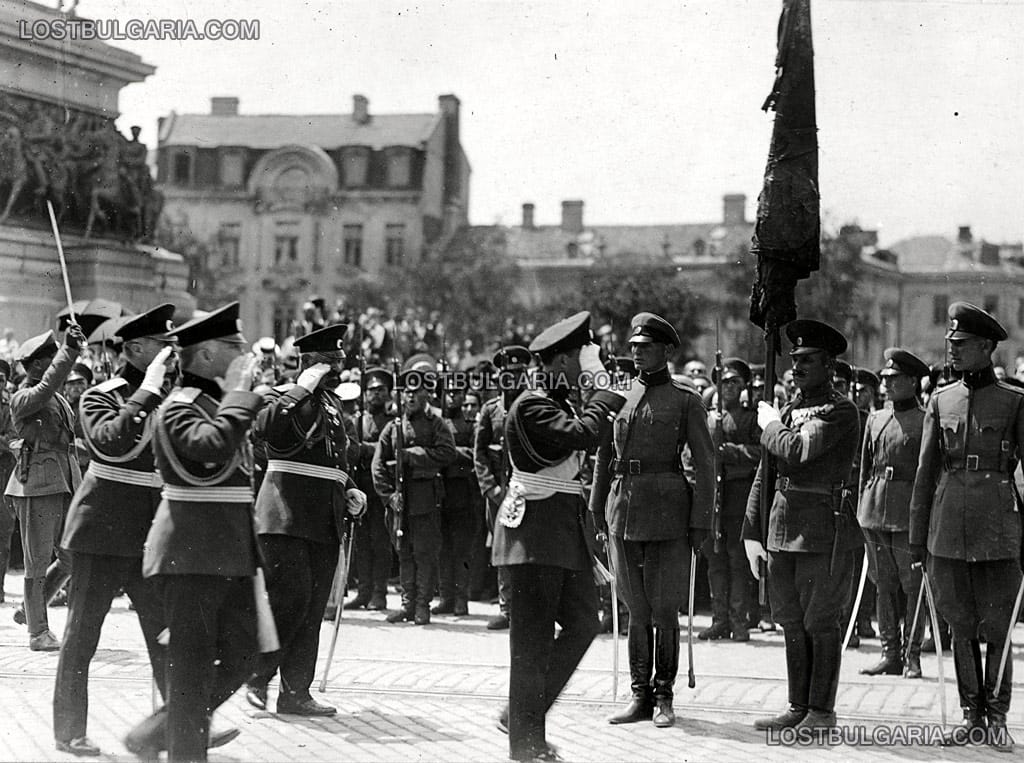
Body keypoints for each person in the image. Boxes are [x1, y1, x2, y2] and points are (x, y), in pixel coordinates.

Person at [123, 302, 264, 762]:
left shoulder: (213, 403)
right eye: (233, 347)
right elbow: (209, 448)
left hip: (226, 551)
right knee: (191, 673)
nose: (243, 355)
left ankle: (155, 732)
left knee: (246, 653)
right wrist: (242, 391)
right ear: (204, 356)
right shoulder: (181, 407)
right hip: (190, 554)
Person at [492, 311, 626, 761]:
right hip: (532, 537)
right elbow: (588, 434)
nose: (586, 365)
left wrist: (593, 380)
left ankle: (521, 714)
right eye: (580, 358)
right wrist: (599, 377)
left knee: (586, 623)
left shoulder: (556, 401)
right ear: (560, 362)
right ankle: (525, 743)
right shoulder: (531, 406)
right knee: (529, 645)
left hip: (559, 534)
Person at [52, 305, 182, 757]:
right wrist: (146, 391)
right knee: (83, 635)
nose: (170, 353)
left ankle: (181, 725)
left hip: (147, 535)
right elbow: (110, 441)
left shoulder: (168, 399)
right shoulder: (100, 395)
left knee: (166, 633)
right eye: (163, 346)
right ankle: (69, 730)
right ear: (136, 348)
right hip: (101, 532)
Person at [589, 312, 715, 729]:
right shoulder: (617, 397)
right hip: (622, 510)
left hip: (668, 511)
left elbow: (705, 463)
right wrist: (595, 507)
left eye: (646, 346)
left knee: (664, 609)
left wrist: (701, 524)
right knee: (635, 609)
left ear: (665, 351)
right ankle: (639, 695)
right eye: (634, 347)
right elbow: (604, 454)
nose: (637, 352)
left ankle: (664, 696)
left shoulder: (685, 399)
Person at [910, 302, 1024, 752]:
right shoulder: (941, 400)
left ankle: (997, 717)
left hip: (998, 528)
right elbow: (924, 476)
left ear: (987, 347)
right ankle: (970, 714)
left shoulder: (1014, 402)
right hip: (948, 529)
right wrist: (918, 541)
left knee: (997, 627)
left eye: (962, 344)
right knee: (959, 625)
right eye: (950, 343)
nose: (952, 350)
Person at [743, 319, 862, 731]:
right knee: (790, 620)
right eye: (794, 360)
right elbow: (766, 473)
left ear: (829, 366)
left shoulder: (841, 410)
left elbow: (797, 449)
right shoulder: (791, 410)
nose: (797, 368)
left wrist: (770, 425)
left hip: (821, 531)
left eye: (808, 360)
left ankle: (822, 711)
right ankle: (798, 706)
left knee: (820, 622)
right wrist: (751, 532)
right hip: (782, 530)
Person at [244, 324, 366, 717]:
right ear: (311, 364)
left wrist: (349, 487)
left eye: (337, 363)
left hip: (323, 517)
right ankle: (257, 674)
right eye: (329, 364)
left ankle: (296, 692)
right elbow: (268, 429)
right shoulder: (279, 397)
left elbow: (333, 460)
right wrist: (303, 386)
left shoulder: (332, 405)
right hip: (284, 513)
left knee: (313, 607)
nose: (337, 370)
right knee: (289, 599)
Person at [5, 325, 85, 650]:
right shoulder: (24, 397)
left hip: (64, 480)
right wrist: (70, 351)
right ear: (37, 364)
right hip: (36, 484)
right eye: (51, 358)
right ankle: (38, 632)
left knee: (73, 556)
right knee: (36, 560)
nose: (55, 363)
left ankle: (30, 608)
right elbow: (47, 385)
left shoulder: (56, 397)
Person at [857, 348, 930, 683]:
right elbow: (866, 467)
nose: (886, 385)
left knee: (912, 586)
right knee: (883, 582)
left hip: (907, 510)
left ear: (913, 382)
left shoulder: (926, 418)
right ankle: (890, 653)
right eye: (884, 379)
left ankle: (912, 655)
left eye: (894, 379)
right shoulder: (875, 418)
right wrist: (862, 509)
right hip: (875, 508)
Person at [371, 361, 456, 625]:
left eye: (415, 392)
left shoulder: (436, 424)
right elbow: (378, 464)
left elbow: (448, 453)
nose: (410, 397)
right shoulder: (393, 427)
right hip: (400, 501)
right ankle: (407, 605)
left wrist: (414, 455)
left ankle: (422, 606)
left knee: (424, 553)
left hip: (425, 499)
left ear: (426, 395)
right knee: (404, 551)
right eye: (406, 393)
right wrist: (387, 496)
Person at [699, 357, 760, 643]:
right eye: (724, 382)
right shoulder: (709, 418)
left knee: (737, 560)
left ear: (744, 386)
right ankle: (719, 619)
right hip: (715, 496)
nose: (729, 388)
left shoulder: (751, 417)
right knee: (715, 560)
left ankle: (739, 621)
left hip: (739, 494)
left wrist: (732, 451)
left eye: (735, 382)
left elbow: (760, 452)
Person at [473, 346, 532, 631]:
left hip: (528, 492)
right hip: (498, 493)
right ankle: (507, 608)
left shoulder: (533, 407)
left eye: (518, 374)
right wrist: (491, 489)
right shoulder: (490, 411)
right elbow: (479, 453)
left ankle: (526, 609)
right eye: (507, 375)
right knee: (502, 549)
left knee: (526, 550)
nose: (512, 380)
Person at [342, 367, 395, 612]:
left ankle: (379, 593)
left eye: (380, 390)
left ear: (388, 394)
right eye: (371, 390)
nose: (375, 395)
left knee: (380, 542)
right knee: (361, 543)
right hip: (362, 487)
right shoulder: (358, 421)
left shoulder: (393, 422)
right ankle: (363, 592)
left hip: (382, 489)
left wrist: (366, 448)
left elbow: (389, 451)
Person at [434, 389, 482, 616]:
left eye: (457, 393)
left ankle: (461, 599)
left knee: (461, 549)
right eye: (448, 393)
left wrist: (449, 453)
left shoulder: (472, 424)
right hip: (440, 491)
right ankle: (446, 597)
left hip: (463, 491)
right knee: (443, 547)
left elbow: (476, 453)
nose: (452, 398)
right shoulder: (438, 422)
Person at [0, 358, 17, 597]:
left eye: (1, 379)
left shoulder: (11, 407)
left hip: (4, 473)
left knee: (3, 530)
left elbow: (14, 439)